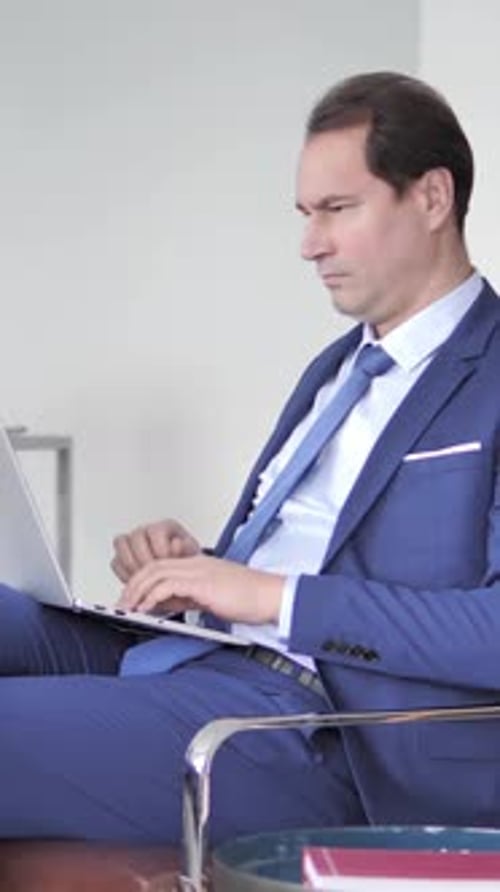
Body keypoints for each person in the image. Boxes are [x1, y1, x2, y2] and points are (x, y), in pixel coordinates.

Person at [1, 69, 500, 845]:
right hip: (198, 651)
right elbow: (315, 549)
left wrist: (268, 596)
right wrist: (199, 569)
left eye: (338, 209)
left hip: (322, 726)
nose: (310, 245)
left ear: (433, 198)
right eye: (305, 214)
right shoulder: (337, 370)